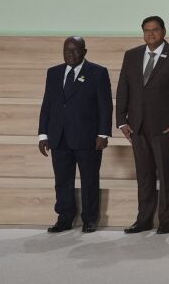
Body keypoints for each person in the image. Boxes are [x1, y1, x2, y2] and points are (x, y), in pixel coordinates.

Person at [114, 16, 169, 234]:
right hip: (137, 127)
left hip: (165, 128)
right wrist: (121, 120)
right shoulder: (132, 55)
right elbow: (123, 89)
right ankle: (143, 219)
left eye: (155, 30)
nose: (150, 34)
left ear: (164, 31)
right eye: (146, 30)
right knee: (144, 175)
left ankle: (166, 220)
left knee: (166, 175)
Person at [36, 36, 112, 234]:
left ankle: (90, 219)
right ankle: (65, 218)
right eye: (66, 50)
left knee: (89, 179)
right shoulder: (53, 73)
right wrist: (43, 134)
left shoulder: (97, 72)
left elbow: (105, 106)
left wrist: (103, 133)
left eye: (75, 50)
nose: (70, 54)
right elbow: (48, 105)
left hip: (87, 138)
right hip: (58, 137)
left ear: (84, 52)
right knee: (62, 180)